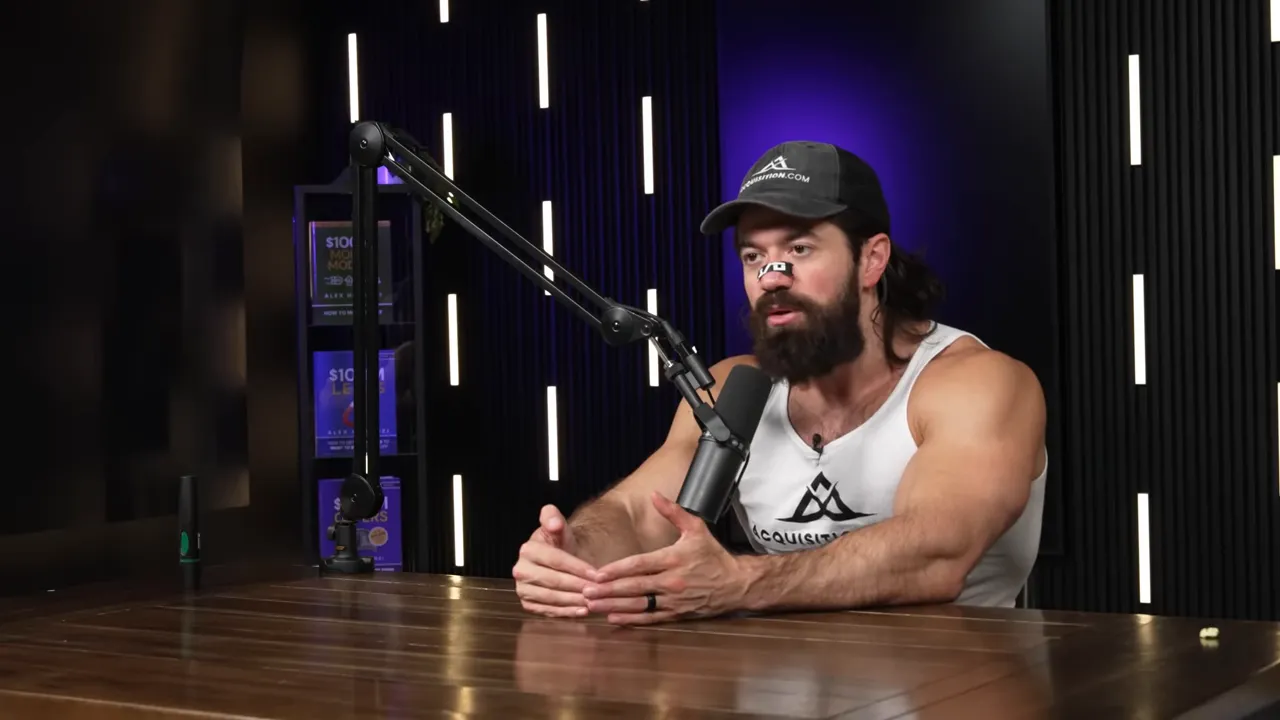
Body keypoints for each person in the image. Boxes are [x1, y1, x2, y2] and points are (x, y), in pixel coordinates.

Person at [511, 141, 1047, 625]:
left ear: (873, 259)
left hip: (954, 689)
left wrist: (739, 584)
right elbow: (636, 513)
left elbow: (935, 553)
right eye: (754, 256)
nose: (772, 276)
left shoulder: (976, 383)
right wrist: (573, 554)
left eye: (799, 250)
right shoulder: (733, 389)